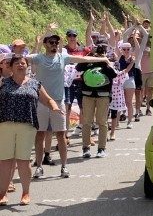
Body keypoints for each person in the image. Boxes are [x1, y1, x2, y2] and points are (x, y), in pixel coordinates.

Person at [27, 29, 108, 179]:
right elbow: (24, 58)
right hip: (42, 102)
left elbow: (84, 59)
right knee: (40, 135)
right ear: (45, 44)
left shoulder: (62, 57)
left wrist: (102, 60)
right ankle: (39, 167)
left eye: (56, 42)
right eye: (51, 42)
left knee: (61, 135)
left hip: (59, 102)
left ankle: (64, 167)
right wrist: (36, 43)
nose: (54, 45)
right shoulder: (39, 58)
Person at [0, 56, 62, 205]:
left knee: (23, 160)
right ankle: (2, 194)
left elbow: (47, 99)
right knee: (5, 161)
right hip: (5, 124)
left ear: (27, 66)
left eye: (23, 63)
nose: (20, 65)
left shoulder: (35, 84)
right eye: (17, 63)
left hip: (27, 126)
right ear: (11, 67)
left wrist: (54, 107)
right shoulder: (3, 83)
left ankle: (25, 192)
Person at [76, 40, 119, 158]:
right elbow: (78, 67)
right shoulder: (89, 60)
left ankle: (101, 148)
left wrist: (105, 61)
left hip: (103, 95)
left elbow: (114, 74)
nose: (99, 53)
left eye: (102, 51)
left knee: (102, 122)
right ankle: (86, 147)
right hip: (87, 95)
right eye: (98, 50)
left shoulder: (107, 62)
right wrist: (89, 56)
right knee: (86, 122)